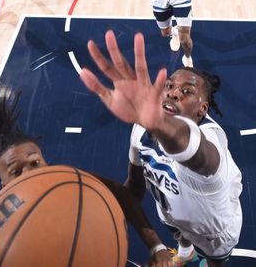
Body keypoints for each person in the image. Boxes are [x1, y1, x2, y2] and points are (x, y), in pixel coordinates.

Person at [80, 31, 243, 267]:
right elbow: (134, 187)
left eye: (187, 92)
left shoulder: (211, 138)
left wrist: (159, 124)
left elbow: (201, 158)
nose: (175, 92)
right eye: (170, 85)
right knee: (178, 230)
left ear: (202, 109)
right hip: (171, 211)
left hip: (212, 230)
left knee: (214, 263)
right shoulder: (141, 129)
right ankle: (186, 252)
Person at [0, 93, 173, 267]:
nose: (29, 174)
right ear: (4, 186)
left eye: (34, 163)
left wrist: (156, 247)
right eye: (16, 172)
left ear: (45, 162)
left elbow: (124, 196)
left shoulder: (69, 182)